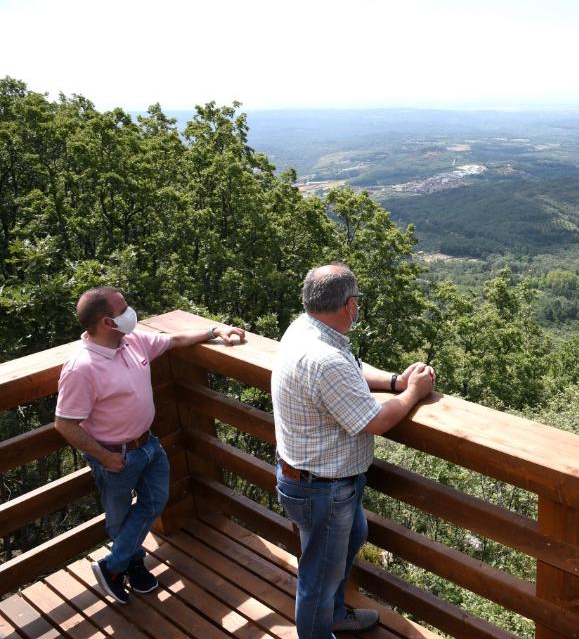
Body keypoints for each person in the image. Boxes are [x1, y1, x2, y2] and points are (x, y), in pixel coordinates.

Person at [272, 264, 435, 638]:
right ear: (349, 305)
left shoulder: (307, 330)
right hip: (322, 488)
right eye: (357, 301)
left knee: (352, 535)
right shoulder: (323, 357)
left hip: (312, 480)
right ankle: (320, 624)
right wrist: (414, 393)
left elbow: (352, 370)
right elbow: (374, 420)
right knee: (317, 577)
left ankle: (332, 614)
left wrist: (396, 381)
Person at [55, 286, 245, 604]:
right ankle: (131, 567)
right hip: (115, 455)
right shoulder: (81, 368)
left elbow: (174, 340)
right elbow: (64, 423)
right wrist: (105, 457)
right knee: (118, 518)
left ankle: (112, 566)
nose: (131, 313)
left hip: (149, 445)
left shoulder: (132, 341)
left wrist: (215, 329)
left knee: (155, 500)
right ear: (106, 323)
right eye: (124, 309)